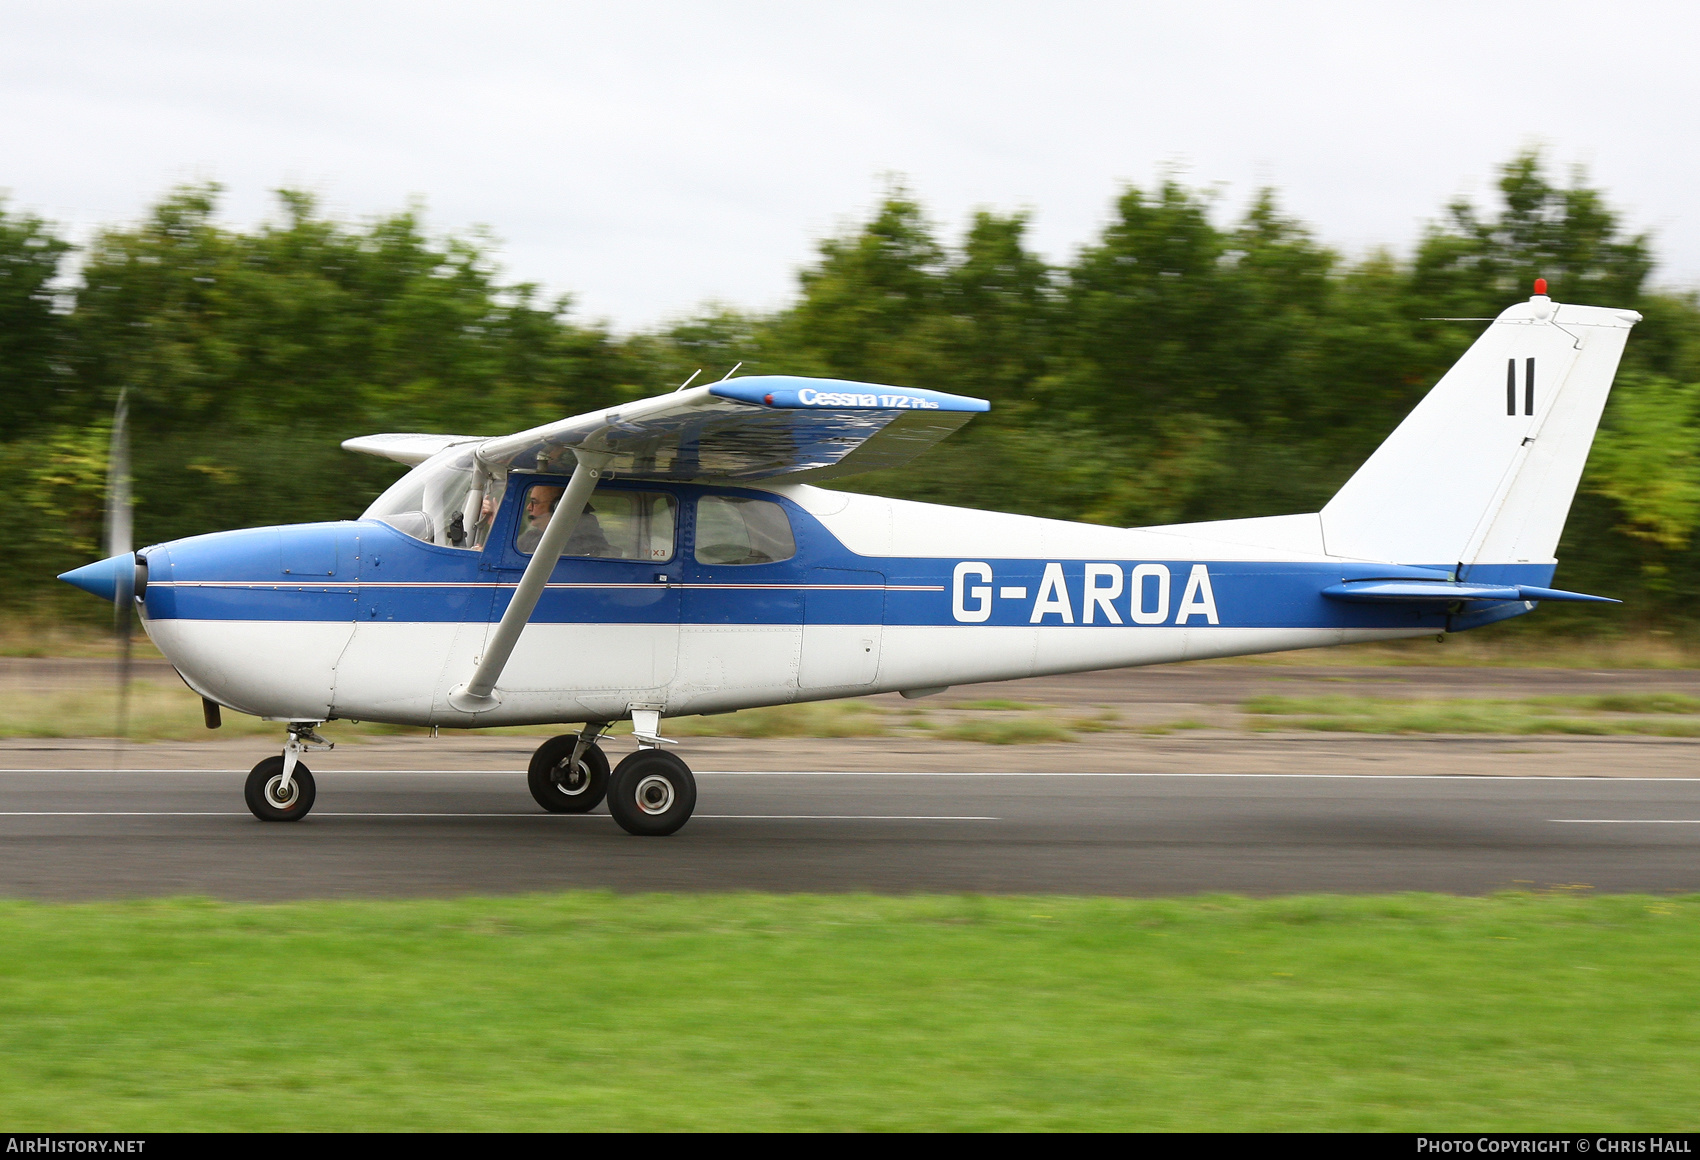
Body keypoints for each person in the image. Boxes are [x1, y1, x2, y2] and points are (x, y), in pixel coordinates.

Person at [516, 484, 615, 557]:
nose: (528, 507)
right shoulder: (530, 537)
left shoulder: (583, 542)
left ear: (559, 507)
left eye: (534, 502)